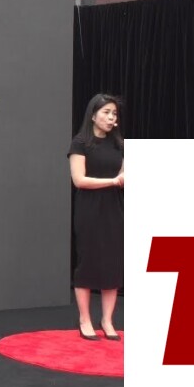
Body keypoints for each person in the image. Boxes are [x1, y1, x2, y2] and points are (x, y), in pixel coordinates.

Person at [67, 93, 124, 341]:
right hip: (89, 209)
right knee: (88, 261)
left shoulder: (120, 144)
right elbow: (79, 180)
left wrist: (122, 178)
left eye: (114, 114)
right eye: (106, 113)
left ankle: (107, 320)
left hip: (114, 208)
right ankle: (85, 319)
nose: (111, 118)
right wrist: (113, 181)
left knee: (113, 263)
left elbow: (125, 174)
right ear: (93, 115)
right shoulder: (80, 143)